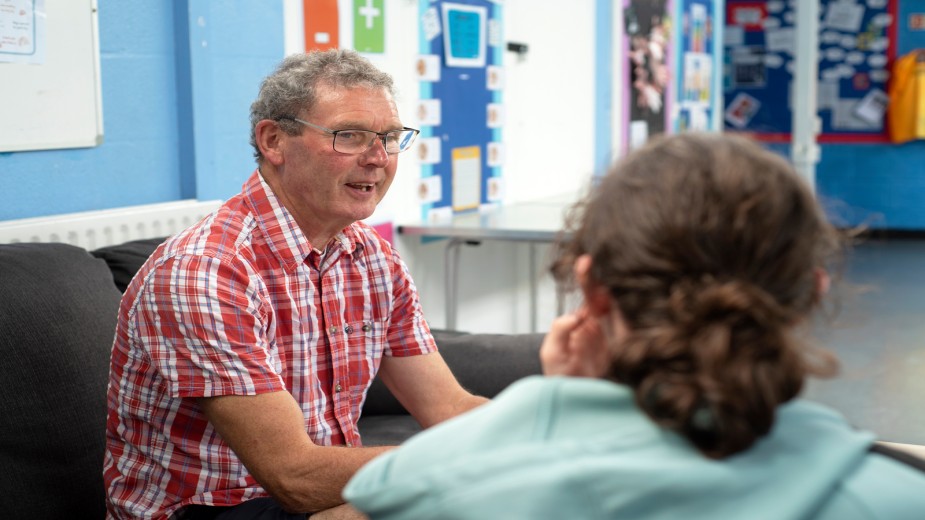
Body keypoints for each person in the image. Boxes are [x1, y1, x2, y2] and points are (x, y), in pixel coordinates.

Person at [343, 132, 925, 519]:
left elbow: (389, 482)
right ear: (810, 294)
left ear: (593, 289)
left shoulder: (431, 491)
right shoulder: (898, 497)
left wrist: (554, 401)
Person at [103, 49, 487, 519]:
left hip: (316, 495)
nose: (378, 158)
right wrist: (458, 465)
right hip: (207, 509)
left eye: (389, 138)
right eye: (350, 136)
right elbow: (293, 476)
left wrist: (539, 440)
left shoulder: (373, 259)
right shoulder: (206, 271)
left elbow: (448, 405)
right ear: (273, 140)